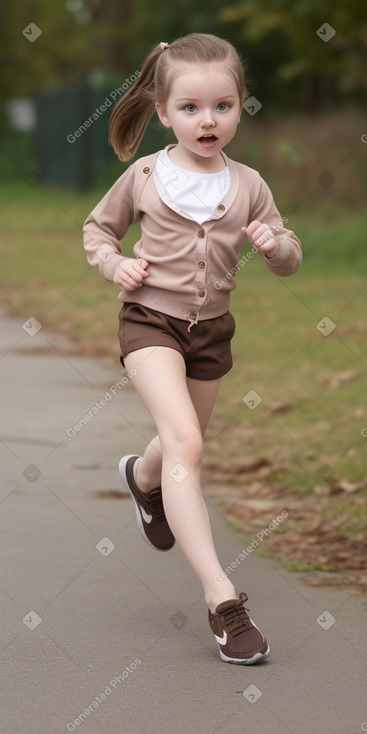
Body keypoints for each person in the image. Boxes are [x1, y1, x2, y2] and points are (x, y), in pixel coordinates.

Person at [83, 32, 302, 665]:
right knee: (191, 445)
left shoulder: (250, 184)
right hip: (150, 321)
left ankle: (142, 478)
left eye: (223, 106)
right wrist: (113, 265)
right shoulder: (146, 175)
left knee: (178, 445)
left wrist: (273, 244)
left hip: (212, 332)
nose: (207, 120)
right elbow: (99, 229)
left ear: (239, 106)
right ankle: (223, 599)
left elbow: (288, 258)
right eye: (190, 108)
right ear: (163, 112)